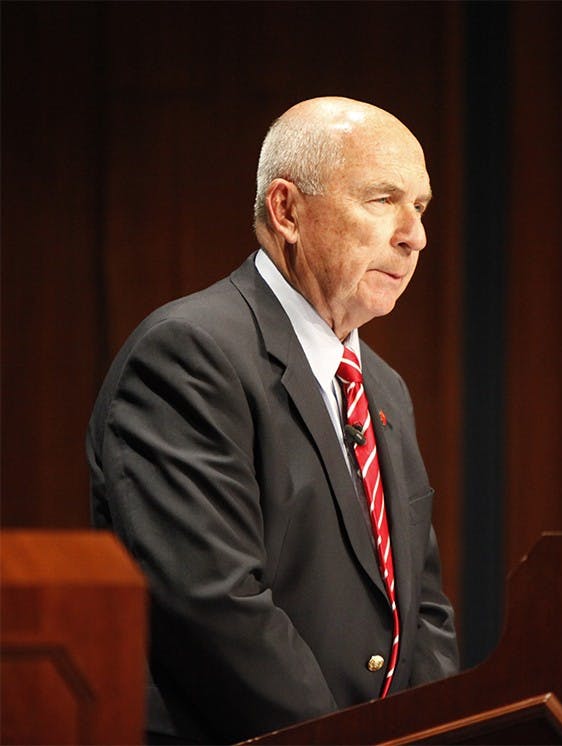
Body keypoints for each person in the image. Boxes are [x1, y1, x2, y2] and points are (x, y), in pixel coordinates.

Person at [87, 97, 459, 743]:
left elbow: (418, 605)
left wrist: (424, 733)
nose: (414, 234)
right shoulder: (190, 353)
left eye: (420, 206)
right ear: (287, 210)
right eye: (382, 199)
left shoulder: (384, 388)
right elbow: (214, 605)